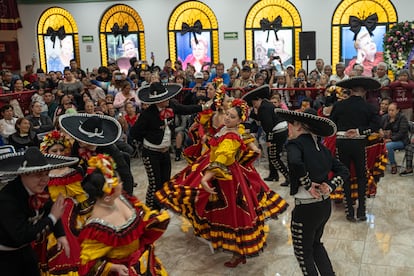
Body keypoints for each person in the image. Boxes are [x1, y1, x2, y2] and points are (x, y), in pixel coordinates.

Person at [156, 99, 288, 267]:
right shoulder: (226, 129)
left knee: (233, 216)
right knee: (219, 211)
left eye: (232, 116)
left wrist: (206, 177)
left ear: (240, 120)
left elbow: (222, 158)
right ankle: (229, 247)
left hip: (227, 177)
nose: (227, 118)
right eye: (227, 114)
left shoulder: (232, 136)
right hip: (221, 173)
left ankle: (237, 253)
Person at [275, 108, 349, 276]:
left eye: (290, 125)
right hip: (324, 207)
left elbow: (294, 161)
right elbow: (343, 171)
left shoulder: (296, 144)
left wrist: (307, 185)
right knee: (316, 244)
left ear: (300, 127)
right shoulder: (322, 150)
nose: (288, 129)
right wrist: (329, 186)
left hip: (306, 210)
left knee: (303, 253)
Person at [78, 155, 170, 275]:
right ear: (107, 197)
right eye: (119, 182)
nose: (122, 184)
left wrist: (152, 219)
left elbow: (141, 212)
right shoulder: (96, 229)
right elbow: (87, 263)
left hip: (143, 263)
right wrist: (111, 267)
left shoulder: (121, 197)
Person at [0, 147, 78, 276]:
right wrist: (52, 218)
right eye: (38, 175)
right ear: (24, 174)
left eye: (47, 174)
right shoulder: (7, 200)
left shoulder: (40, 187)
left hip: (25, 251)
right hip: (5, 256)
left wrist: (60, 235)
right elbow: (21, 236)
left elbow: (50, 208)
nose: (44, 180)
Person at [130, 82, 206, 210]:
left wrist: (203, 107)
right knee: (155, 184)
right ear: (158, 101)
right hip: (151, 153)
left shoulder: (172, 105)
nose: (168, 100)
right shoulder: (147, 114)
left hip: (165, 152)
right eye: (164, 99)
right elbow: (134, 133)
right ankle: (150, 211)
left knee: (165, 182)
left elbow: (185, 109)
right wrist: (149, 137)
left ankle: (161, 207)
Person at [36, 130, 89, 275]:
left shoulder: (72, 170)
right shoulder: (41, 173)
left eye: (61, 150)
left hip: (70, 207)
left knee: (65, 224)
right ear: (46, 151)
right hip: (48, 209)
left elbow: (80, 196)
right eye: (54, 150)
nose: (58, 153)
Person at [330, 77, 381, 221]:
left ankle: (349, 211)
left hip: (342, 143)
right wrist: (359, 131)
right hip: (359, 143)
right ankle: (362, 211)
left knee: (345, 175)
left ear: (350, 91)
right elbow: (376, 126)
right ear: (364, 91)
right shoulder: (370, 107)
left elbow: (332, 125)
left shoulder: (339, 106)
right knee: (361, 176)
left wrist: (342, 130)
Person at [59, 113, 135, 195]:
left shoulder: (109, 149)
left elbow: (125, 173)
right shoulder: (78, 144)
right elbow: (73, 164)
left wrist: (128, 197)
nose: (78, 139)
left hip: (110, 181)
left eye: (82, 138)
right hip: (91, 181)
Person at [242, 85, 290, 186]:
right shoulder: (265, 105)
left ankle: (288, 177)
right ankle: (273, 175)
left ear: (258, 100)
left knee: (274, 156)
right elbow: (260, 119)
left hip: (277, 131)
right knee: (271, 153)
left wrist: (269, 140)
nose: (254, 105)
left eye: (254, 102)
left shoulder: (264, 107)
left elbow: (268, 125)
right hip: (279, 130)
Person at [380, 102, 410, 174]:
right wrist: (380, 130)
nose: (390, 112)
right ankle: (378, 164)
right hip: (388, 138)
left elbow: (402, 133)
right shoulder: (385, 117)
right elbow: (380, 126)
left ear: (397, 110)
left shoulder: (402, 118)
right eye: (389, 110)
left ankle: (393, 165)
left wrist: (390, 139)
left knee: (388, 146)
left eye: (392, 110)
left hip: (402, 140)